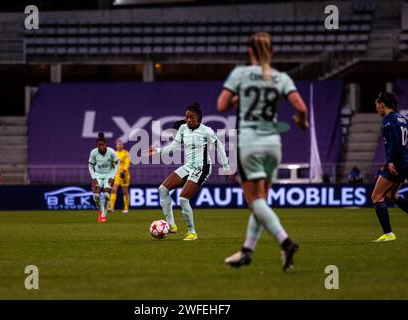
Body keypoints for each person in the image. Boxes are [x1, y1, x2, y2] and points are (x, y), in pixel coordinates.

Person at [217, 32, 309, 271]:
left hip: (249, 142)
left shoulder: (240, 74)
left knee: (254, 201)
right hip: (273, 144)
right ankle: (247, 251)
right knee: (262, 201)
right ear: (272, 52)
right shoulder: (281, 77)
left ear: (250, 52)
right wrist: (301, 121)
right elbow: (300, 106)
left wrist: (238, 99)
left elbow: (221, 105)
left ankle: (286, 242)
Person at [146, 102, 231, 241]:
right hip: (188, 166)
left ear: (198, 118)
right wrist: (157, 150)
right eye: (187, 117)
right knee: (162, 189)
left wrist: (226, 168)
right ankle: (171, 225)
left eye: (192, 117)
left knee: (183, 198)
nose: (189, 120)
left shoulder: (206, 131)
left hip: (202, 167)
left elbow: (219, 147)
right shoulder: (183, 129)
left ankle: (192, 232)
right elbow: (173, 148)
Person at [370, 92, 408, 242]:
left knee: (376, 197)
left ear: (381, 104)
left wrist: (391, 161)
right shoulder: (403, 119)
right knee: (392, 196)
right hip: (404, 161)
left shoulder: (388, 120)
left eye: (377, 106)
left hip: (397, 163)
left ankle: (388, 234)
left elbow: (394, 142)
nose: (377, 109)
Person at [88, 132, 119, 223]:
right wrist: (93, 178)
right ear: (97, 145)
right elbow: (90, 166)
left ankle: (103, 214)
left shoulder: (111, 151)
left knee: (106, 195)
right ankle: (101, 210)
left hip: (108, 175)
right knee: (96, 196)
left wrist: (113, 176)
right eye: (99, 145)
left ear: (105, 144)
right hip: (97, 175)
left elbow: (117, 164)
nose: (101, 146)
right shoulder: (94, 152)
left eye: (102, 144)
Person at [109, 140, 131, 213]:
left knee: (125, 192)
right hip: (117, 175)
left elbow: (127, 163)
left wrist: (124, 171)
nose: (120, 145)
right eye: (118, 144)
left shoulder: (126, 153)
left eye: (121, 144)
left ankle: (126, 208)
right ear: (116, 146)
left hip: (124, 175)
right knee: (113, 190)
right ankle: (111, 207)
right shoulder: (114, 154)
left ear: (123, 145)